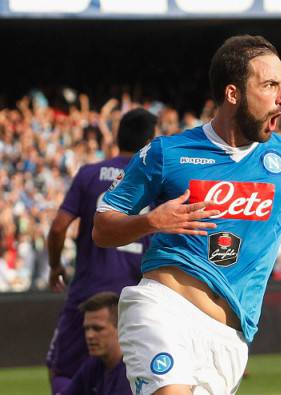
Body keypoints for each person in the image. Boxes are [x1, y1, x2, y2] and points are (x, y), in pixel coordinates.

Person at [93, 35, 281, 395]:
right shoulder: (166, 153)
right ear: (232, 93)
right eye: (270, 85)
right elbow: (101, 228)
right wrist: (151, 221)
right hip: (163, 308)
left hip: (229, 337)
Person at [46, 108, 157, 394]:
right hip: (134, 300)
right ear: (150, 142)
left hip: (89, 293)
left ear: (117, 137)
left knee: (62, 368)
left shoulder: (89, 174)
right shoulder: (156, 181)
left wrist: (55, 266)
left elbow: (59, 227)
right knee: (135, 375)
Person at [59, 292, 132, 395]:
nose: (89, 335)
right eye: (87, 328)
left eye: (97, 329)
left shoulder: (131, 371)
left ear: (120, 328)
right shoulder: (94, 366)